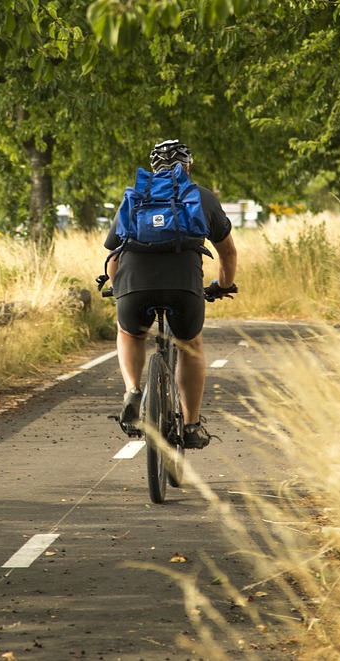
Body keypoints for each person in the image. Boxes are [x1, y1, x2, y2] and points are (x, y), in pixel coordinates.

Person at [102, 139, 238, 449]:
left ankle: (132, 390)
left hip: (134, 282)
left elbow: (113, 255)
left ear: (153, 169)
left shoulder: (135, 196)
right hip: (183, 285)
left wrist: (116, 286)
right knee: (190, 346)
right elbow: (228, 252)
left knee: (129, 332)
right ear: (188, 167)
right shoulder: (201, 197)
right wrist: (224, 285)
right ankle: (191, 425)